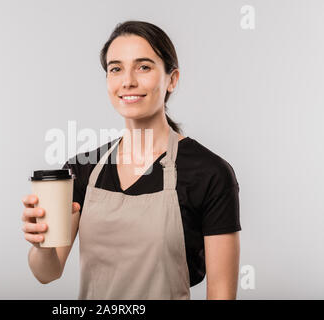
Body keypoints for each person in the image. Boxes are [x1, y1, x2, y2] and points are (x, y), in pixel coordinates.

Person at [22, 20, 241, 300]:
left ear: (172, 79)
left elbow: (221, 293)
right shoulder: (83, 169)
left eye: (144, 67)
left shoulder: (210, 173)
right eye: (116, 69)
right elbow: (47, 273)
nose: (128, 81)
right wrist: (41, 244)